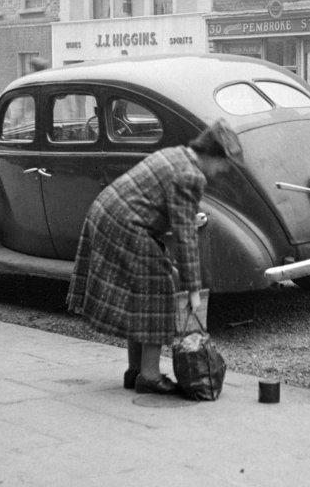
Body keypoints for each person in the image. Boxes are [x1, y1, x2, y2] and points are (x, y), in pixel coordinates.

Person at [66, 119, 244, 394]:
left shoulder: (176, 154)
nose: (222, 172)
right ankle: (149, 375)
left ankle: (135, 371)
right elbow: (185, 236)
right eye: (224, 164)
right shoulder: (191, 175)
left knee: (142, 294)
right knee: (159, 289)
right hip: (126, 224)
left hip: (107, 213)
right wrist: (193, 289)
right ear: (212, 154)